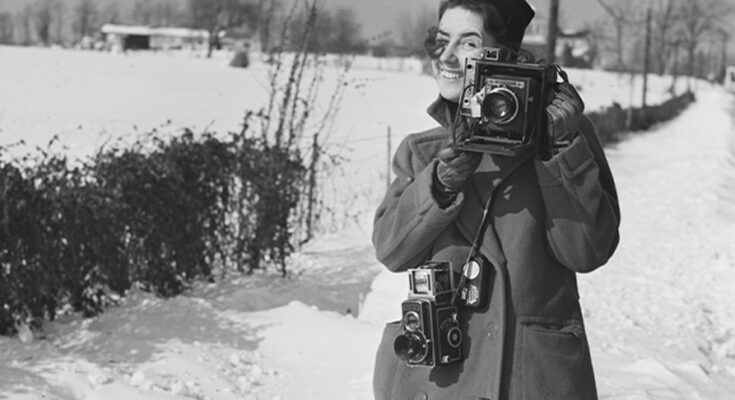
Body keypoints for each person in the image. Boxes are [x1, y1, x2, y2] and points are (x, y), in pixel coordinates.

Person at [371, 0, 621, 399]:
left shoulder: (562, 137)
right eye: (441, 41)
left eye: (468, 43)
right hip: (441, 379)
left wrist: (559, 149)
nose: (447, 56)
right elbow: (391, 250)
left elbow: (588, 251)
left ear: (506, 55)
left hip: (528, 378)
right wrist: (440, 184)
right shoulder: (423, 152)